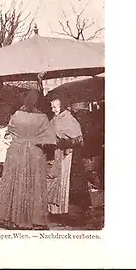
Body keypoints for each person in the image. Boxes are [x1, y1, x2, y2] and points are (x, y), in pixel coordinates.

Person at [0, 89, 57, 230]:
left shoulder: (17, 115)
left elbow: (10, 129)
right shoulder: (42, 117)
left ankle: (10, 219)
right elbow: (50, 138)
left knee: (14, 183)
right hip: (34, 153)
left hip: (16, 152)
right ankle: (35, 220)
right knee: (34, 185)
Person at [48, 97, 91, 226]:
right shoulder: (54, 120)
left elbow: (79, 139)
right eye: (52, 107)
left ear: (62, 107)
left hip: (72, 158)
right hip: (59, 156)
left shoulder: (70, 120)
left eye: (55, 107)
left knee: (73, 187)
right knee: (60, 185)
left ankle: (76, 217)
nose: (53, 109)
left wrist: (64, 142)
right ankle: (62, 214)